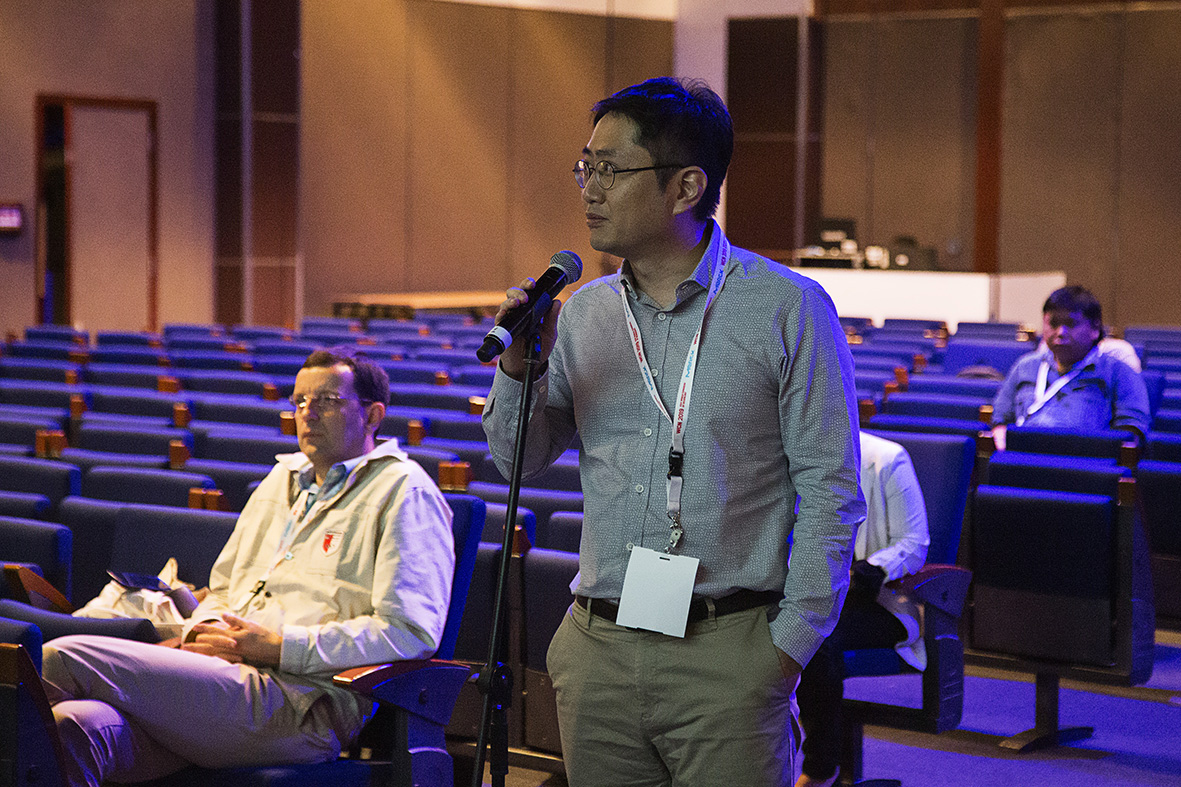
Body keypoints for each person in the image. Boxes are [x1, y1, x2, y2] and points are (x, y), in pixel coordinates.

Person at [482, 77, 864, 786]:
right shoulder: (585, 312)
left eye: (610, 169)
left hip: (728, 650)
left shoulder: (787, 308)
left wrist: (787, 648)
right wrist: (516, 368)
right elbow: (516, 459)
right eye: (585, 167)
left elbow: (831, 490)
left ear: (686, 187)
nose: (589, 190)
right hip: (598, 646)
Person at [40, 348, 456, 787]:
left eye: (327, 401)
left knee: (61, 657)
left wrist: (279, 648)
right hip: (225, 682)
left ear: (373, 416)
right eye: (300, 401)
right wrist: (205, 632)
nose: (308, 413)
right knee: (76, 726)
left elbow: (410, 632)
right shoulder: (283, 479)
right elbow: (224, 589)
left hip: (300, 701)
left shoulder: (404, 492)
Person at [795, 432, 930, 787]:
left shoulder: (887, 459)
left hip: (879, 602)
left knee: (815, 639)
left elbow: (914, 544)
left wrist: (864, 572)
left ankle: (821, 766)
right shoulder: (794, 453)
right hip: (817, 594)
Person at [991, 285, 1151, 451]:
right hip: (1022, 459)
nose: (1061, 332)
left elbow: (1131, 432)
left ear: (1095, 329)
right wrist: (1001, 439)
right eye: (1053, 324)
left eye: (1071, 324)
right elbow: (1000, 418)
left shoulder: (1119, 372)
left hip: (1083, 462)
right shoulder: (1025, 366)